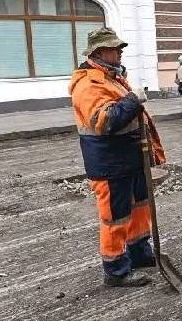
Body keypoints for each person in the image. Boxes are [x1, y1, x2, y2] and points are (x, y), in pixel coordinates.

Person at [69, 27, 166, 287]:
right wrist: (133, 100)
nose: (120, 52)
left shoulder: (112, 77)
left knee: (139, 208)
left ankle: (139, 253)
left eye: (120, 48)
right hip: (110, 164)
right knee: (116, 216)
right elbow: (105, 121)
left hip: (130, 159)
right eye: (115, 48)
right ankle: (116, 270)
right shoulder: (88, 84)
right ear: (99, 52)